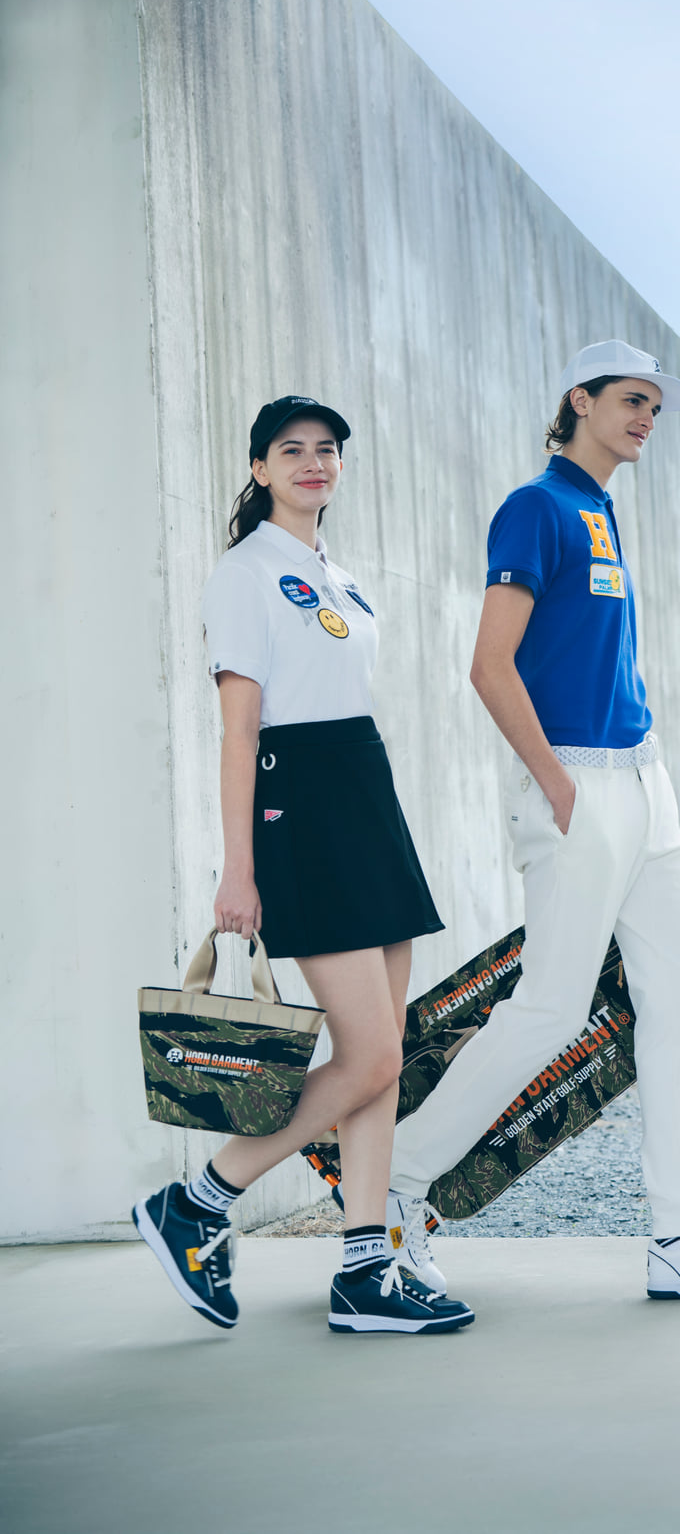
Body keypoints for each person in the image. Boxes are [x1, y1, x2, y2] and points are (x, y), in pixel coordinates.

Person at [386, 341, 680, 1300]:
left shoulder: (602, 510)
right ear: (578, 399)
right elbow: (490, 664)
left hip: (644, 784)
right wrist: (556, 782)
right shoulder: (536, 507)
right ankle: (396, 1187)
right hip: (575, 783)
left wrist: (643, 775)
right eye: (631, 399)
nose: (647, 419)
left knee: (677, 1003)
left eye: (655, 406)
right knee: (550, 1010)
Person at [132, 395, 474, 1336]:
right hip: (301, 812)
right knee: (367, 1054)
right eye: (293, 450)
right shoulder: (245, 574)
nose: (314, 462)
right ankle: (198, 1201)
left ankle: (367, 1268)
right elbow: (239, 733)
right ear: (260, 469)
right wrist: (237, 868)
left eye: (327, 450)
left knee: (383, 1058)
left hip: (364, 799)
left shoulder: (340, 578)